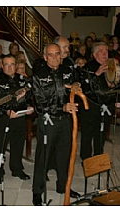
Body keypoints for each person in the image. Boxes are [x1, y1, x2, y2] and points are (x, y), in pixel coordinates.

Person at [31, 43, 80, 206]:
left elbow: (75, 85)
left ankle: (63, 186)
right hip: (48, 121)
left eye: (57, 54)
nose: (54, 57)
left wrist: (76, 86)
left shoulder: (68, 71)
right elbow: (40, 104)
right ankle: (37, 191)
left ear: (61, 55)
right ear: (45, 58)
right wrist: (62, 107)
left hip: (65, 121)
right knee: (42, 157)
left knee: (64, 156)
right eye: (50, 55)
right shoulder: (38, 75)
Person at [0, 54, 33, 185]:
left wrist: (28, 106)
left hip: (19, 117)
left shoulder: (22, 80)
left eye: (12, 64)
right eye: (6, 64)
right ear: (2, 66)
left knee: (18, 143)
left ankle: (17, 168)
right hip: (3, 118)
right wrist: (5, 111)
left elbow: (28, 98)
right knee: (0, 146)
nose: (9, 67)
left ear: (16, 66)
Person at [78, 42, 116, 161]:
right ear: (94, 54)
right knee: (87, 135)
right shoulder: (87, 68)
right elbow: (85, 87)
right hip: (90, 106)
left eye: (106, 51)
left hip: (106, 105)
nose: (105, 54)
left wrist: (113, 84)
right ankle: (86, 159)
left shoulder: (112, 66)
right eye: (101, 51)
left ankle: (99, 157)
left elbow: (115, 85)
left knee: (101, 133)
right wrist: (97, 74)